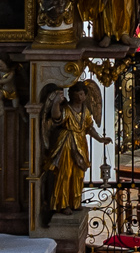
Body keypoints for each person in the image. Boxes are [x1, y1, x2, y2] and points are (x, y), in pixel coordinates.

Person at [45, 82, 109, 213]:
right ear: (71, 95)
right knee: (65, 173)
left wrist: (100, 139)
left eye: (82, 94)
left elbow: (89, 128)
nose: (80, 98)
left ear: (85, 95)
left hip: (80, 143)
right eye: (77, 95)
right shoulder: (67, 109)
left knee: (78, 174)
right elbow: (56, 117)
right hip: (67, 143)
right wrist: (56, 103)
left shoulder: (86, 110)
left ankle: (75, 201)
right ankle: (63, 204)